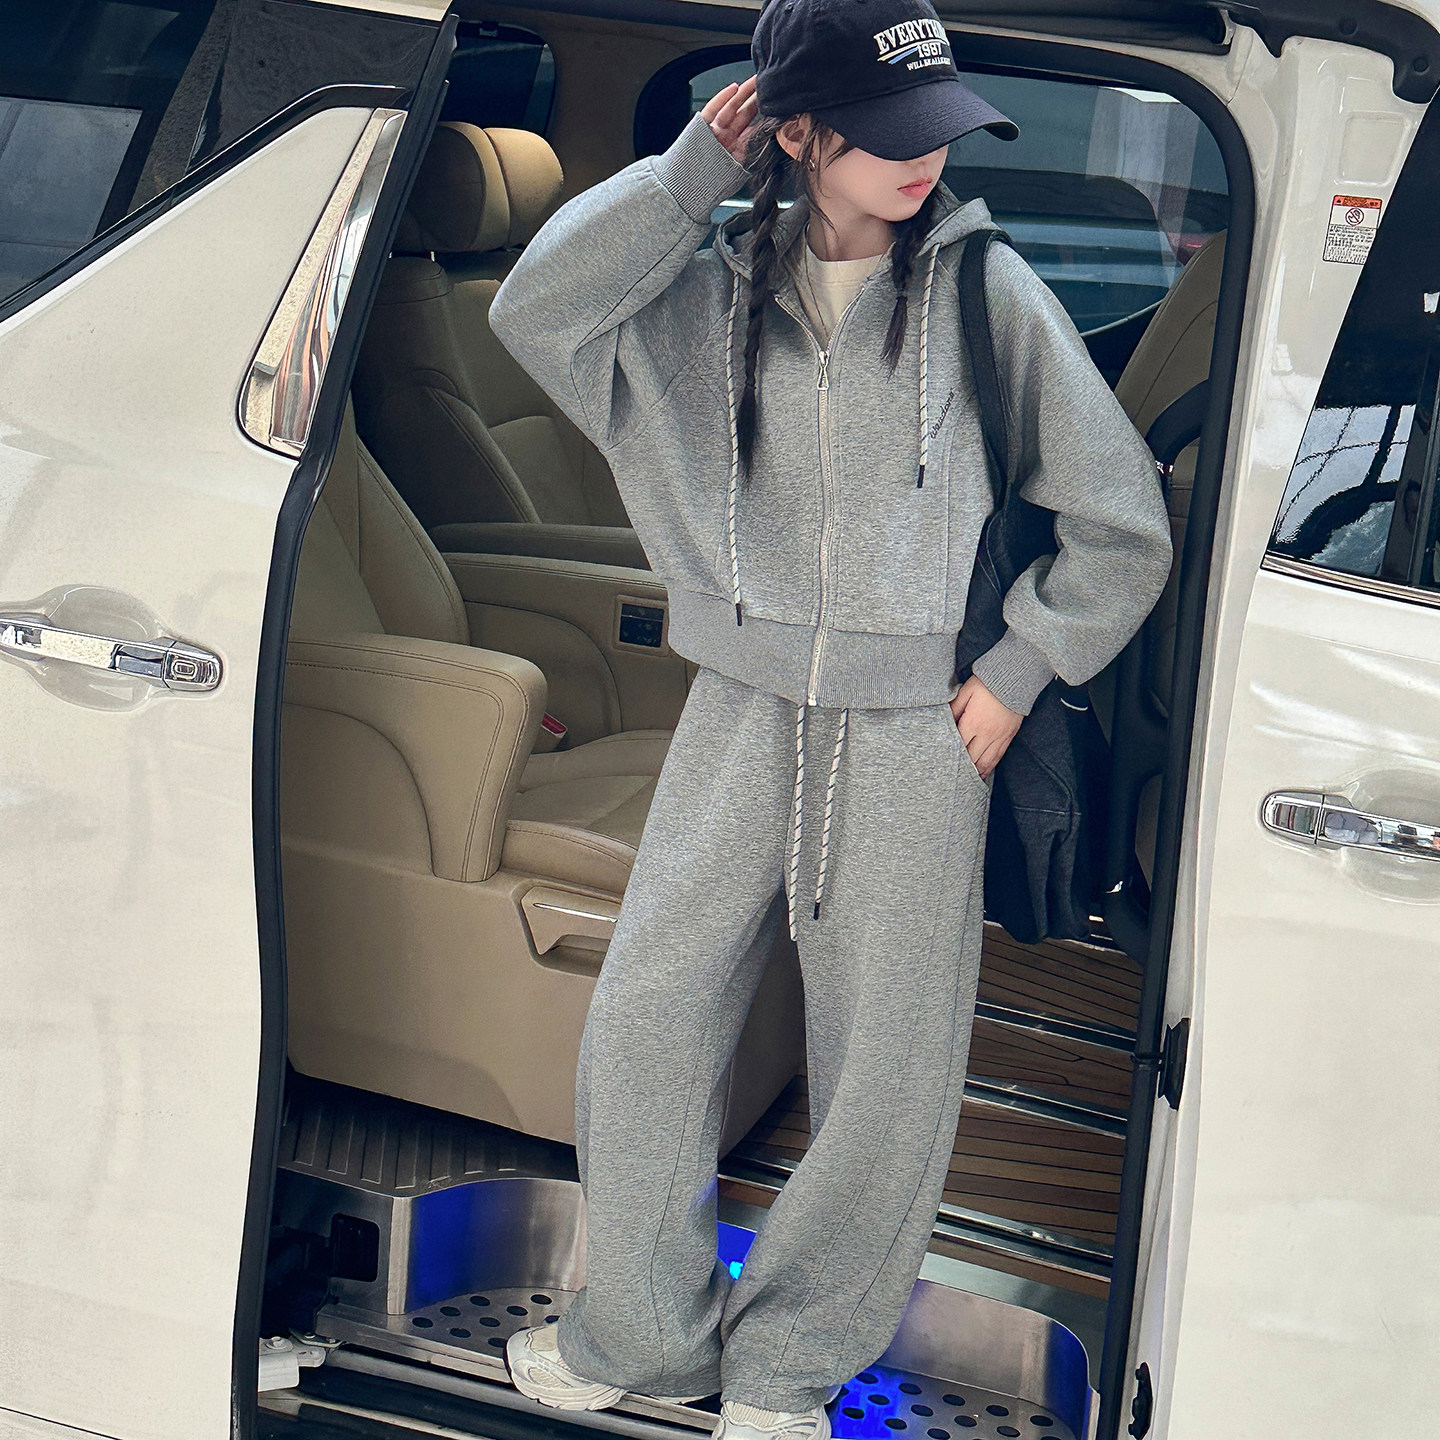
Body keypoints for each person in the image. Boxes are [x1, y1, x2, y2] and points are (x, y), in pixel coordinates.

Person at [487, 0, 1172, 1435]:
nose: (928, 159)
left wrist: (1019, 670)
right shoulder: (693, 299)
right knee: (649, 1021)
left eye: (943, 129)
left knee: (886, 1078)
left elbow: (1121, 526)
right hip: (738, 715)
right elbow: (533, 308)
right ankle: (641, 1336)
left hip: (923, 730)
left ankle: (790, 1372)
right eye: (889, 132)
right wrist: (687, 174)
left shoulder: (989, 298)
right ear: (794, 131)